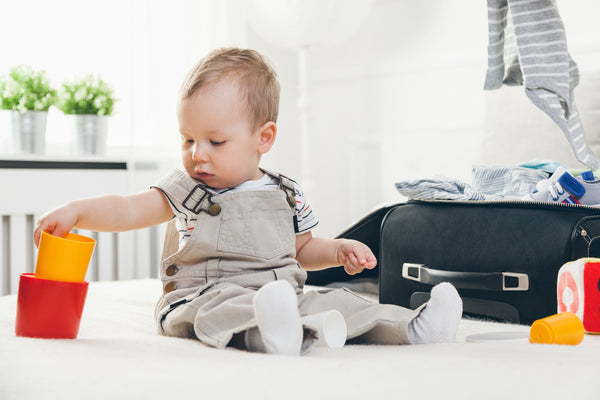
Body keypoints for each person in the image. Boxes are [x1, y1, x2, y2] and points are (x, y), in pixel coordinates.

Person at [34, 47, 462, 355]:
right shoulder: (188, 188)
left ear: (264, 139)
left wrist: (337, 251)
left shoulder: (286, 193)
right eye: (188, 139)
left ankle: (415, 327)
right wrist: (78, 211)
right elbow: (129, 209)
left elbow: (302, 250)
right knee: (223, 311)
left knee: (338, 301)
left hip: (278, 290)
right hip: (204, 293)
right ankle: (270, 334)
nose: (197, 153)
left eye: (215, 141)